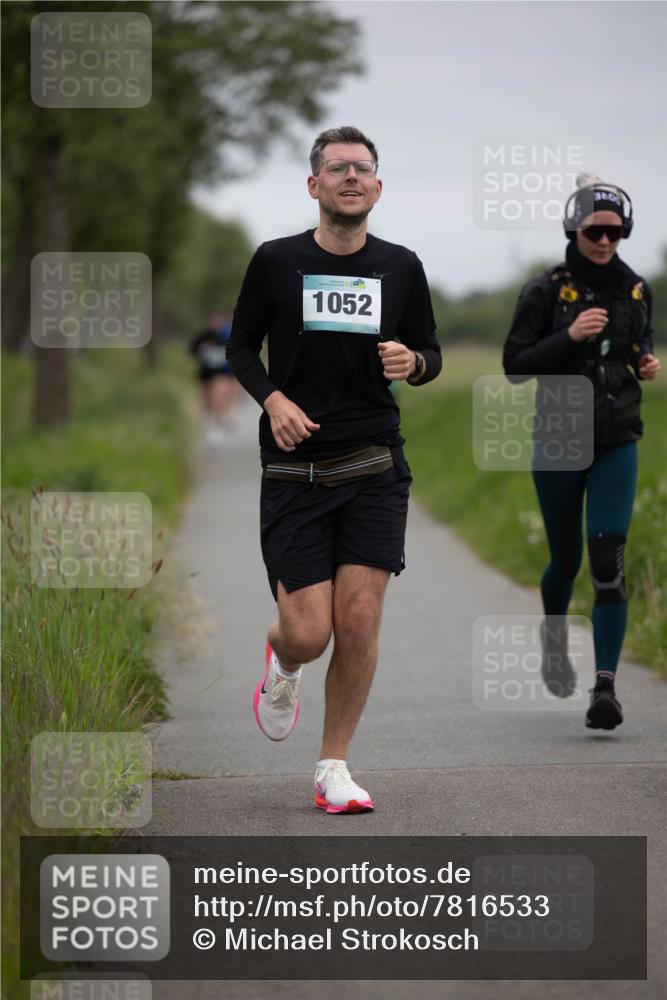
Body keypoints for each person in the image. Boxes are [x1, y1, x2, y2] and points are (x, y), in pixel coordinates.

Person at [226, 125, 442, 813]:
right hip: (296, 474)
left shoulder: (401, 266)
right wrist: (274, 400)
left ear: (377, 187)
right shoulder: (275, 260)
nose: (352, 176)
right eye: (338, 167)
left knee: (358, 621)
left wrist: (414, 363)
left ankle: (333, 768)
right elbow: (239, 349)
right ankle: (282, 659)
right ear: (313, 184)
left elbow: (430, 353)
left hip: (374, 464)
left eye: (363, 168)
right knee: (308, 632)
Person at [503, 174, 661, 731]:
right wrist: (567, 337)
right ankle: (553, 638)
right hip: (559, 439)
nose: (605, 241)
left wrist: (643, 361)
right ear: (574, 229)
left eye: (616, 232)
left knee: (607, 561)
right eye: (596, 231)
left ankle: (606, 687)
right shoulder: (544, 291)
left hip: (618, 438)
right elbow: (514, 366)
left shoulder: (637, 288)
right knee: (566, 560)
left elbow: (637, 342)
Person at [189, 310, 241, 448]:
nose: (215, 323)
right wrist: (202, 351)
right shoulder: (203, 336)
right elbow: (192, 349)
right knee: (207, 399)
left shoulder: (227, 336)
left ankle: (216, 427)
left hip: (223, 372)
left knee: (218, 398)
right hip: (207, 373)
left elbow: (235, 351)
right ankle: (210, 421)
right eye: (213, 321)